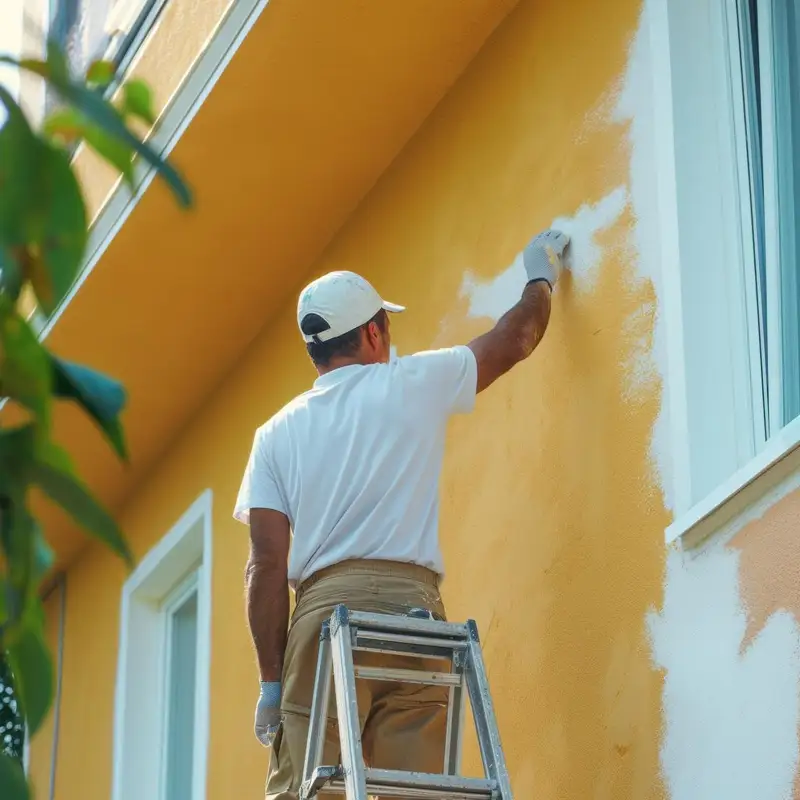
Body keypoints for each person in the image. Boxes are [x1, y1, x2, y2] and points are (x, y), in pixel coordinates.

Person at [233, 228, 570, 799]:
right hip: (413, 619)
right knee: (412, 794)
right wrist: (540, 278)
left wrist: (271, 682)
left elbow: (266, 567)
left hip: (323, 621)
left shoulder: (275, 435)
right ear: (372, 331)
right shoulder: (413, 382)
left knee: (308, 791)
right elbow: (516, 338)